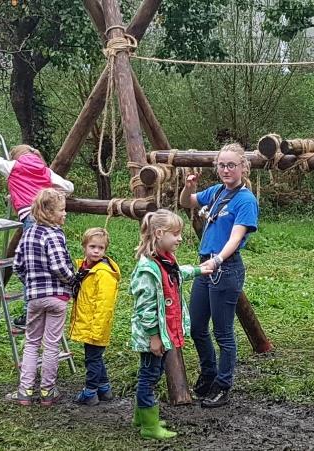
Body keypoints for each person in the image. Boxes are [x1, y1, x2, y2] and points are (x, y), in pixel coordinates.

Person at [179, 142, 259, 408]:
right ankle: (209, 372)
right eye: (222, 165)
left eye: (231, 165)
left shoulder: (246, 200)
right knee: (197, 327)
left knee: (223, 333)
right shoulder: (216, 191)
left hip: (226, 268)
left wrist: (218, 259)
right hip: (206, 266)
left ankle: (223, 386)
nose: (226, 169)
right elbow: (186, 202)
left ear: (243, 167)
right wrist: (189, 186)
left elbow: (236, 237)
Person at [0, 127, 74, 327]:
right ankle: (54, 300)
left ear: (16, 156)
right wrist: (49, 193)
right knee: (51, 259)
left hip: (30, 217)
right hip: (50, 218)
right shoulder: (44, 170)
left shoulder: (14, 167)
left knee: (32, 266)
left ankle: (31, 313)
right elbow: (69, 187)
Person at [129, 210, 212, 439]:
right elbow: (144, 308)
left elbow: (176, 274)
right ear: (158, 233)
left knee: (149, 373)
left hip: (166, 332)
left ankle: (141, 416)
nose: (180, 238)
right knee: (150, 377)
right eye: (175, 234)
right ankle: (149, 426)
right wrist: (154, 336)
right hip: (154, 337)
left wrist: (198, 270)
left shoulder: (165, 260)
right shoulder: (148, 269)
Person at [5, 189, 75, 406]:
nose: (65, 214)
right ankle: (47, 390)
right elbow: (58, 266)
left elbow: (17, 266)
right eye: (62, 211)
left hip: (34, 298)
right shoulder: (53, 234)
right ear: (48, 212)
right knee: (52, 344)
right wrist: (73, 280)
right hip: (56, 298)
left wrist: (31, 284)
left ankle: (24, 390)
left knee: (31, 342)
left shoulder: (28, 234)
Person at [69, 227, 121, 406]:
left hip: (96, 326)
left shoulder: (103, 274)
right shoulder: (85, 268)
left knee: (92, 359)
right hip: (89, 322)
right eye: (92, 246)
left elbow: (104, 306)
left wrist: (96, 330)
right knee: (95, 357)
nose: (96, 251)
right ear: (84, 246)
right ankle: (104, 389)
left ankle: (90, 392)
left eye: (101, 248)